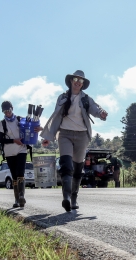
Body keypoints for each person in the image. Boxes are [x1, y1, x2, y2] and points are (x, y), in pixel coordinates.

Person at [41, 70, 108, 212]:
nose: (78, 82)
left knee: (78, 168)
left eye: (81, 80)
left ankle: (73, 197)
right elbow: (56, 116)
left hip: (82, 135)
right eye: (76, 79)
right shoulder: (63, 97)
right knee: (66, 165)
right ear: (71, 81)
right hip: (64, 134)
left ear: (83, 84)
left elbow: (96, 108)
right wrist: (49, 136)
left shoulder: (86, 99)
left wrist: (101, 114)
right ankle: (65, 197)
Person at [0, 101, 41, 208]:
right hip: (9, 152)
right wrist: (14, 140)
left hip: (22, 149)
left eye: (9, 111)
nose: (7, 113)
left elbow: (31, 128)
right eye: (5, 111)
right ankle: (16, 199)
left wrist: (39, 128)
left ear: (12, 109)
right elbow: (1, 140)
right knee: (14, 175)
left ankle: (21, 196)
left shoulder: (21, 119)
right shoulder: (1, 124)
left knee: (20, 173)